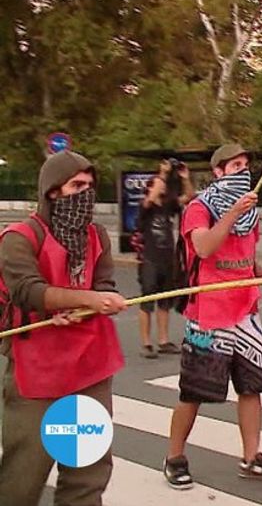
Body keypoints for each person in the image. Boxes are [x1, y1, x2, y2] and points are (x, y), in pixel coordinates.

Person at [0, 151, 129, 506]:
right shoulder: (19, 238)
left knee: (88, 473)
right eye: (77, 185)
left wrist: (102, 299)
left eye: (90, 185)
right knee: (24, 473)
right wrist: (83, 299)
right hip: (37, 373)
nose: (85, 193)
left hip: (90, 368)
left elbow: (103, 283)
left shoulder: (96, 236)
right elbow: (27, 290)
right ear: (52, 192)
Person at [163, 144, 262, 489]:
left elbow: (247, 256)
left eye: (246, 165)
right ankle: (175, 457)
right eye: (235, 165)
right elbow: (204, 247)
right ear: (217, 172)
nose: (243, 170)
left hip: (245, 311)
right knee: (194, 391)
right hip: (208, 315)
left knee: (252, 387)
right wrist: (233, 211)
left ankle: (252, 457)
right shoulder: (198, 208)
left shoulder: (250, 214)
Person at [136, 158, 195, 359]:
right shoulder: (146, 207)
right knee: (147, 301)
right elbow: (149, 199)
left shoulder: (169, 206)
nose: (162, 185)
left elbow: (189, 196)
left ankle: (163, 340)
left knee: (164, 301)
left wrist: (184, 178)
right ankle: (146, 342)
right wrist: (160, 175)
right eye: (157, 184)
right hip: (149, 259)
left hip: (167, 259)